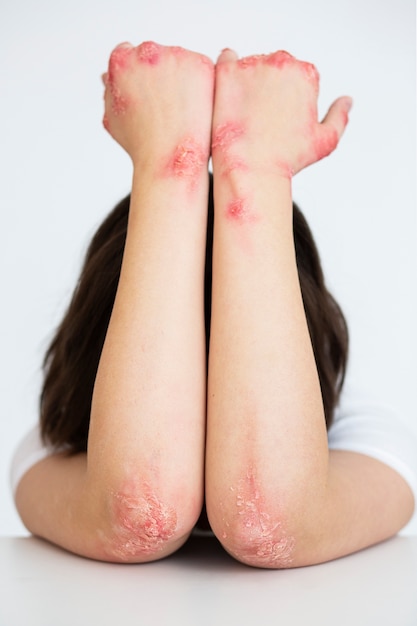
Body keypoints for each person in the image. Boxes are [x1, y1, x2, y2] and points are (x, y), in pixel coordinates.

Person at [11, 42, 417, 568]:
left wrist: (246, 166)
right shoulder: (48, 449)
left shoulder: (370, 434)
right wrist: (178, 165)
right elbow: (141, 513)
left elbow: (267, 519)